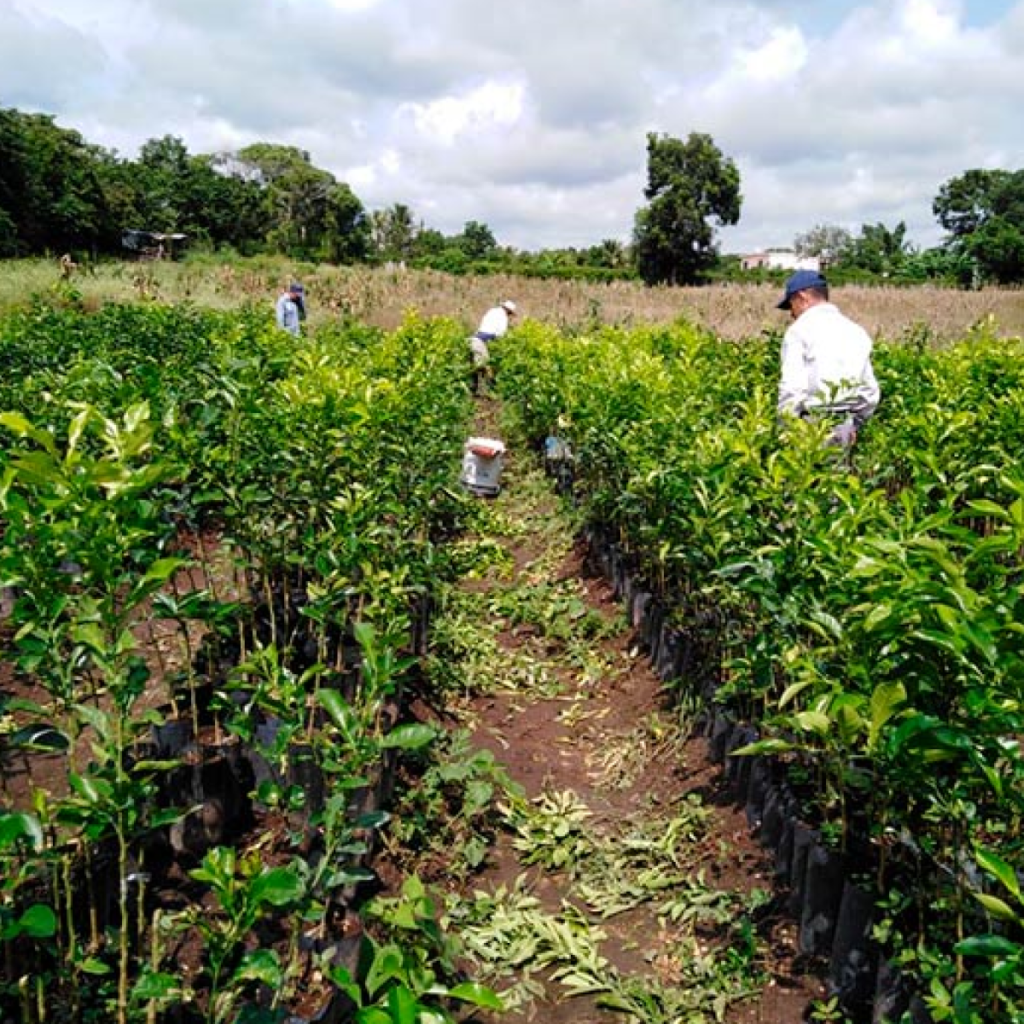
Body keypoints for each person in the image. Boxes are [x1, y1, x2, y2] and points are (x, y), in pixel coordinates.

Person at [776, 270, 879, 448]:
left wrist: (785, 430)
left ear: (802, 297)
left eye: (791, 305)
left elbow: (792, 388)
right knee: (839, 475)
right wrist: (855, 424)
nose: (791, 314)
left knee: (806, 475)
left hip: (809, 426)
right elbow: (869, 392)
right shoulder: (855, 330)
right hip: (845, 427)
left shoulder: (799, 331)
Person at [469, 299, 517, 391]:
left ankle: (474, 389)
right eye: (510, 314)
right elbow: (501, 335)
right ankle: (493, 388)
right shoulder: (503, 317)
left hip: (474, 339)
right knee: (485, 366)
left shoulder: (492, 311)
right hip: (480, 341)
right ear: (508, 311)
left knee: (476, 366)